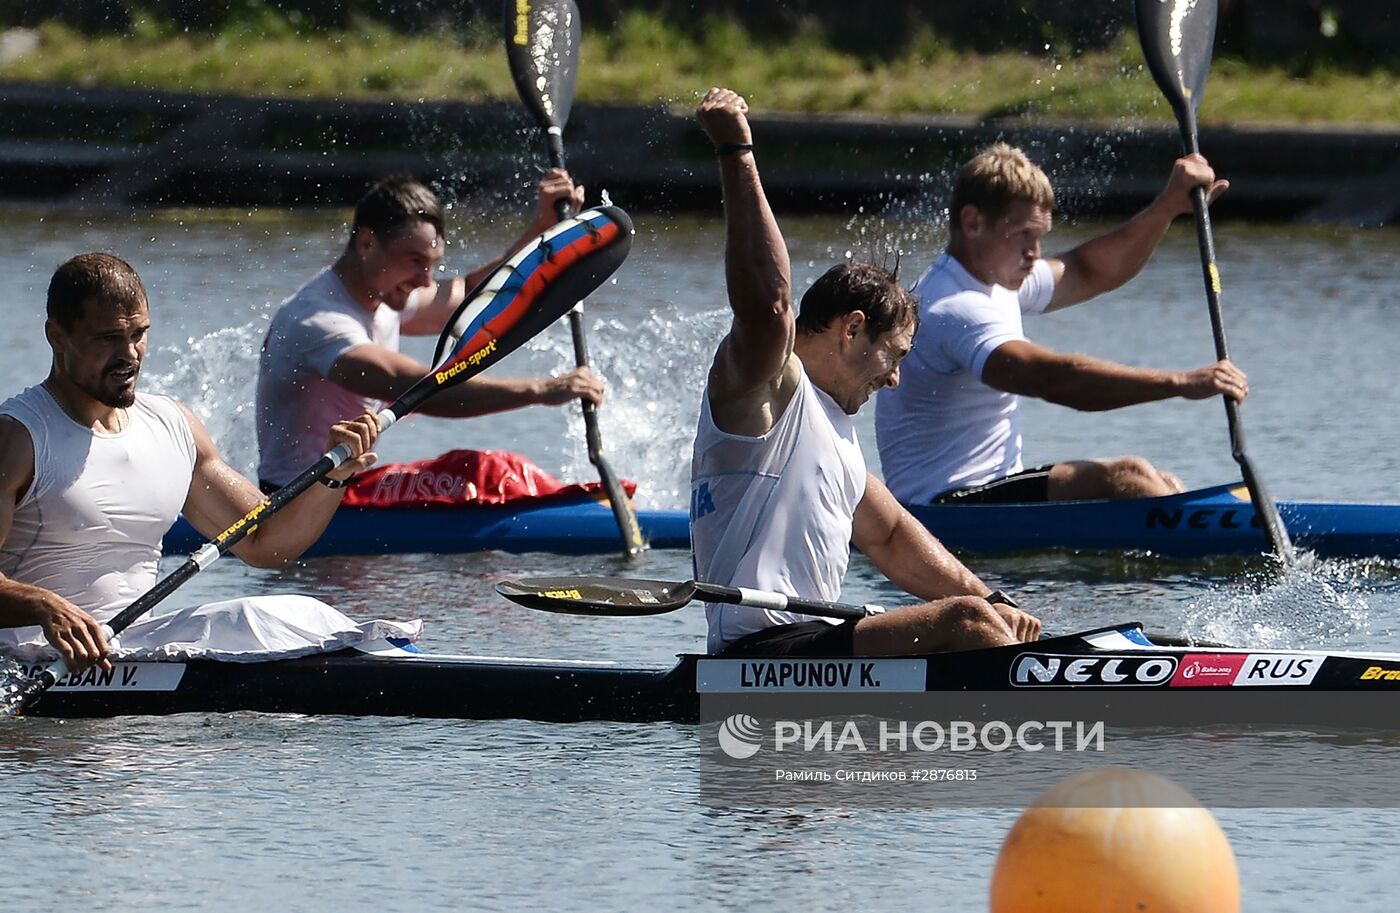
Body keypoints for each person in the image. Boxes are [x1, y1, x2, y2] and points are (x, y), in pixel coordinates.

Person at [690, 88, 1041, 659]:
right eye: (895, 356)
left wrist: (995, 599)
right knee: (966, 625)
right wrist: (737, 150)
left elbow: (893, 536)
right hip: (761, 652)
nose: (896, 380)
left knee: (977, 617)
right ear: (851, 329)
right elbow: (769, 304)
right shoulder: (765, 390)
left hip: (811, 645)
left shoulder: (838, 435)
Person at [0, 253, 384, 674]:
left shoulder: (174, 426)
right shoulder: (19, 437)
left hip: (130, 651)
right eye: (108, 338)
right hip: (29, 657)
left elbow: (266, 542)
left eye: (139, 334)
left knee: (293, 613)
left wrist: (333, 478)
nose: (129, 355)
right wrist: (42, 605)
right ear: (57, 336)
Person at [875, 142, 1249, 506]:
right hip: (940, 509)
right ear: (973, 223)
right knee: (1129, 477)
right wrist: (1182, 383)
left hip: (990, 494)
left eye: (1039, 237)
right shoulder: (952, 307)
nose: (1034, 253)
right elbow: (1053, 380)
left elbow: (1091, 269)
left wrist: (1166, 209)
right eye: (1024, 235)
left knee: (1160, 482)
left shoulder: (995, 278)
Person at [255, 171, 607, 490]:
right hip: (299, 498)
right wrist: (541, 389)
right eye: (415, 262)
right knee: (492, 474)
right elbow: (420, 389)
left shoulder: (380, 291)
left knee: (489, 476)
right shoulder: (321, 322)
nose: (426, 280)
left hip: (343, 486)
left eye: (433, 265)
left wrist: (542, 232)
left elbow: (473, 295)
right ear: (366, 243)